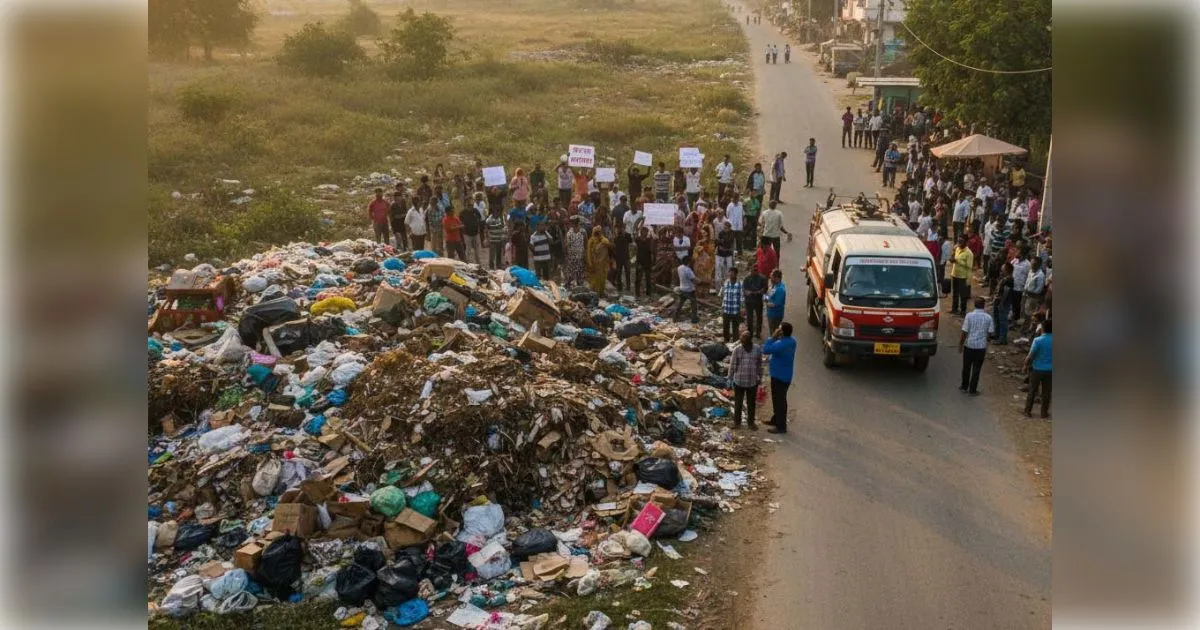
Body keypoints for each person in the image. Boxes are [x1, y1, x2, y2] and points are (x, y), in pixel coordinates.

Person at [761, 322, 797, 434]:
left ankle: (781, 426)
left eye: (779, 329)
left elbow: (765, 349)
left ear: (782, 332)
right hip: (784, 375)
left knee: (780, 401)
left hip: (779, 376)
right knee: (777, 399)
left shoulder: (781, 344)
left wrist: (772, 337)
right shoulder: (792, 341)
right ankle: (776, 419)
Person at [959, 297, 994, 395]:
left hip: (969, 345)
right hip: (981, 347)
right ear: (984, 305)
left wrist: (960, 344)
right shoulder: (988, 317)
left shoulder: (969, 316)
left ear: (975, 305)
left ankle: (964, 386)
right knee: (976, 369)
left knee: (966, 367)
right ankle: (972, 390)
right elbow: (990, 332)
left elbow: (964, 331)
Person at [729, 331, 762, 430]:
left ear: (749, 340)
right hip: (739, 381)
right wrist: (729, 378)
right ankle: (737, 422)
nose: (742, 341)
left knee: (751, 403)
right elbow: (733, 366)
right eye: (742, 338)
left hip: (752, 381)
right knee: (738, 403)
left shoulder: (757, 349)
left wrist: (760, 376)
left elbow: (759, 364)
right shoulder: (737, 350)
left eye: (744, 339)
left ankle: (751, 423)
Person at [1023, 319, 1053, 418]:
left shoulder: (1038, 340)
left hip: (1037, 369)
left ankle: (1028, 411)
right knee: (1047, 392)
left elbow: (1031, 355)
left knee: (1032, 390)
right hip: (1050, 370)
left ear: (1043, 328)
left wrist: (1025, 365)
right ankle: (1044, 413)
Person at [950, 235, 974, 315]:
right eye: (958, 241)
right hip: (955, 274)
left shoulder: (969, 253)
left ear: (966, 242)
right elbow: (955, 259)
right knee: (955, 293)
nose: (959, 242)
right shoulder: (957, 249)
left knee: (963, 295)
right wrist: (952, 260)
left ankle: (963, 311)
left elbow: (969, 266)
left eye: (961, 241)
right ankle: (954, 309)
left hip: (963, 276)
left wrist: (957, 261)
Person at [1022, 257, 1046, 334]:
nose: (1032, 264)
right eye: (1031, 263)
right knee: (1026, 313)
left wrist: (1029, 292)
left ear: (1038, 264)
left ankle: (1030, 331)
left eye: (1034, 263)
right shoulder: (1030, 271)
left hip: (1033, 298)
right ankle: (1026, 329)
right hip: (1027, 296)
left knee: (1032, 315)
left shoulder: (1040, 275)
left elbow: (1039, 289)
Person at [672, 256, 699, 324]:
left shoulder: (679, 268)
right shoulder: (688, 270)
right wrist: (700, 281)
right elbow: (693, 279)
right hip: (689, 290)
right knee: (694, 305)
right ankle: (694, 319)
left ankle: (675, 318)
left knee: (680, 304)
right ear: (689, 262)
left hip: (682, 288)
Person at [742, 265, 767, 339]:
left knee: (759, 317)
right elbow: (744, 290)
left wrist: (760, 293)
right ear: (751, 270)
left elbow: (765, 290)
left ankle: (758, 333)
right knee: (749, 318)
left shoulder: (762, 278)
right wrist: (748, 293)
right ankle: (750, 332)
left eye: (756, 270)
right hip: (749, 301)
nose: (755, 272)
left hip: (758, 300)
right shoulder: (747, 278)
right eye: (754, 270)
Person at [992, 262, 1014, 344]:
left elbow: (1006, 292)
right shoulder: (1005, 278)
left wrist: (1001, 302)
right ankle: (997, 334)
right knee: (997, 318)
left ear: (1007, 269)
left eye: (1003, 268)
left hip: (1003, 303)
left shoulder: (1009, 280)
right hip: (998, 301)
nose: (1001, 268)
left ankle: (1002, 339)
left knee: (1002, 320)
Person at [585, 226, 611, 296]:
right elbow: (589, 253)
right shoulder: (591, 241)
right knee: (594, 280)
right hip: (594, 264)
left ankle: (601, 293)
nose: (598, 234)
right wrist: (590, 264)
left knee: (602, 279)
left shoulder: (604, 240)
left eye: (599, 232)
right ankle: (595, 294)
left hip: (603, 265)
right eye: (597, 232)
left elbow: (608, 244)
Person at [720, 267, 743, 342]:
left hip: (735, 310)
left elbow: (742, 297)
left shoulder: (739, 284)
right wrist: (722, 307)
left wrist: (742, 308)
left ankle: (735, 343)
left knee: (735, 329)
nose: (730, 275)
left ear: (736, 274)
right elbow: (722, 294)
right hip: (726, 310)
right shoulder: (726, 283)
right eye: (729, 273)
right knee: (725, 327)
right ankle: (726, 341)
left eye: (732, 273)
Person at [1010, 247, 1031, 325]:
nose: (1016, 254)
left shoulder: (1027, 264)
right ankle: (1011, 317)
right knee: (1011, 303)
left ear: (1023, 255)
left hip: (1019, 288)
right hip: (1012, 285)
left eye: (1018, 253)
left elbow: (1028, 276)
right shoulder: (1015, 261)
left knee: (1016, 305)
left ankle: (1015, 320)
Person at [460, 195, 483, 265]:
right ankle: (467, 264)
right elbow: (460, 222)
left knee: (477, 250)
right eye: (469, 203)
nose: (471, 205)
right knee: (468, 250)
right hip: (467, 234)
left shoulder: (476, 211)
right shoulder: (463, 212)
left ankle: (478, 264)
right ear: (466, 203)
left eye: (471, 203)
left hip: (476, 233)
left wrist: (478, 228)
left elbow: (480, 219)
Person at [693, 224, 716, 294]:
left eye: (704, 231)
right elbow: (696, 252)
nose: (702, 232)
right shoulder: (700, 242)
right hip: (700, 263)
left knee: (706, 278)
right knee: (700, 278)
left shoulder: (710, 242)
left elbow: (712, 253)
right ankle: (700, 292)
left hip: (707, 263)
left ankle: (704, 292)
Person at [634, 225, 655, 298]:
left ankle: (648, 293)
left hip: (648, 261)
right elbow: (635, 233)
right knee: (638, 278)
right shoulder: (638, 239)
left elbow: (654, 239)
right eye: (643, 231)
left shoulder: (649, 240)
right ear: (641, 232)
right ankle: (637, 293)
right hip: (640, 261)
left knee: (648, 278)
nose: (645, 233)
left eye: (646, 231)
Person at [612, 222, 632, 293]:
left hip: (626, 257)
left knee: (628, 272)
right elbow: (613, 247)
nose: (620, 229)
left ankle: (628, 287)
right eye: (619, 228)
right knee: (619, 273)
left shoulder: (627, 235)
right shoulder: (616, 237)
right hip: (618, 258)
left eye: (622, 228)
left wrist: (624, 234)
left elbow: (631, 241)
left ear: (624, 228)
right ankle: (619, 287)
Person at [765, 269, 786, 334]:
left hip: (775, 316)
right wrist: (765, 297)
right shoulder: (774, 286)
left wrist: (767, 304)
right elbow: (769, 295)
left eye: (772, 278)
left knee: (774, 333)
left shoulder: (780, 289)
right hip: (771, 314)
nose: (770, 279)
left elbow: (776, 304)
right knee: (772, 331)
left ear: (777, 278)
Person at [715, 222, 736, 287]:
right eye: (724, 228)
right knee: (719, 267)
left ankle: (727, 283)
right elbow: (718, 242)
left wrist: (728, 249)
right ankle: (718, 284)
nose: (724, 229)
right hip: (720, 253)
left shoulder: (732, 233)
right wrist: (721, 246)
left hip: (728, 253)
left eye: (726, 228)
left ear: (729, 228)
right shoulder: (721, 233)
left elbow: (731, 243)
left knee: (729, 268)